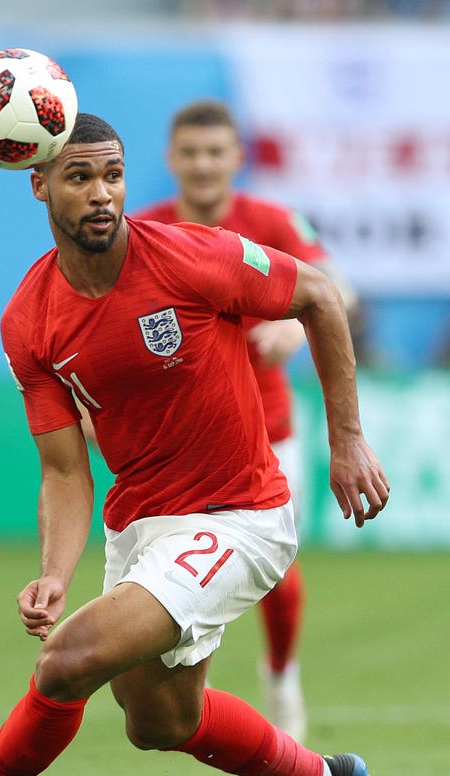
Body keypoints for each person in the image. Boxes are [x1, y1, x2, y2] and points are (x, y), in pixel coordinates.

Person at [0, 114, 389, 776]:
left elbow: (322, 297)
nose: (101, 194)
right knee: (162, 722)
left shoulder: (190, 255)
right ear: (38, 184)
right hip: (141, 523)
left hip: (240, 515)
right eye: (79, 178)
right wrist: (54, 571)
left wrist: (346, 439)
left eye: (113, 175)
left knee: (68, 659)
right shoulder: (28, 321)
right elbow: (67, 471)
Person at [132, 100, 359, 741]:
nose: (203, 165)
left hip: (269, 435)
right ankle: (180, 701)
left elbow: (336, 288)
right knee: (164, 581)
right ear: (171, 159)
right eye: (190, 153)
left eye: (215, 152)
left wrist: (292, 322)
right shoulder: (143, 231)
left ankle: (281, 676)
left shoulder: (271, 221)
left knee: (277, 575)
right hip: (178, 448)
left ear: (236, 158)